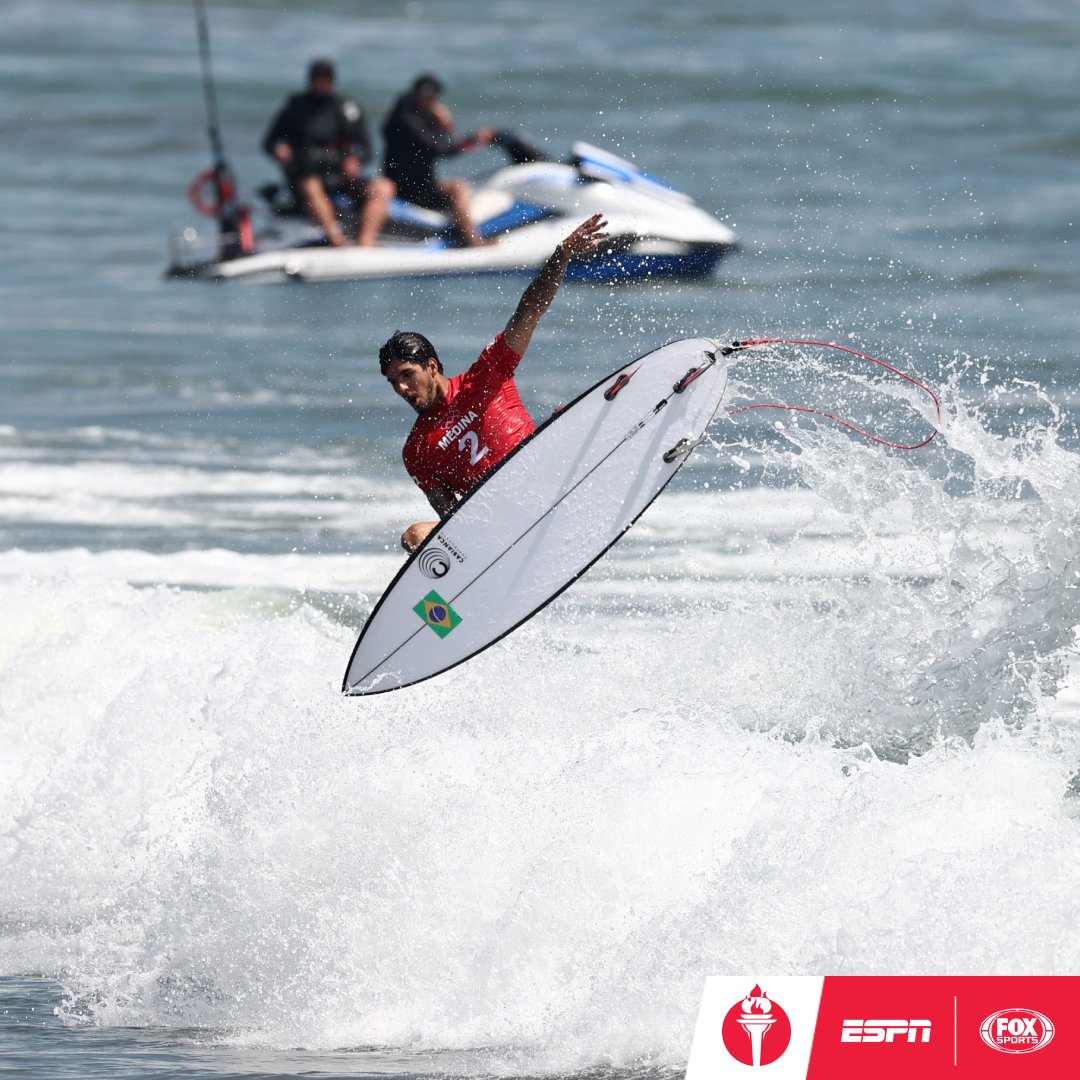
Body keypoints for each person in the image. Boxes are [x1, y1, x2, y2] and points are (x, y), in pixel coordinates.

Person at [379, 214, 610, 552]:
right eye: (393, 382)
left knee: (569, 413)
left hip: (548, 484)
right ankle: (459, 603)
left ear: (431, 366)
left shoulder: (486, 375)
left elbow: (529, 310)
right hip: (498, 529)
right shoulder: (416, 450)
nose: (401, 389)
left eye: (406, 376)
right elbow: (452, 521)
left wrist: (561, 255)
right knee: (416, 537)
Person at [262, 59, 394, 247]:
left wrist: (356, 160)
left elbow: (366, 148)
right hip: (308, 177)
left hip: (341, 177)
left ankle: (365, 243)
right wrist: (279, 150)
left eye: (326, 79)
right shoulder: (295, 108)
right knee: (310, 185)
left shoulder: (346, 109)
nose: (322, 83)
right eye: (318, 79)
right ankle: (336, 240)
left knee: (384, 187)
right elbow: (269, 142)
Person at [381, 73, 497, 248]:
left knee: (459, 187)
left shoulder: (411, 114)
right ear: (415, 95)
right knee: (458, 188)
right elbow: (440, 148)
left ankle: (465, 236)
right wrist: (459, 131)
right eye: (423, 97)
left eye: (430, 98)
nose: (427, 101)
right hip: (406, 190)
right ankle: (473, 242)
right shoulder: (406, 119)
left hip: (422, 186)